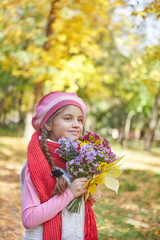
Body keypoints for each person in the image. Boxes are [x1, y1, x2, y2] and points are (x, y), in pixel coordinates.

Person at [20, 91, 101, 240]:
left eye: (80, 119)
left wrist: (91, 195)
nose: (76, 124)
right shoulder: (35, 163)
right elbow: (29, 219)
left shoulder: (81, 161)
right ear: (49, 124)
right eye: (68, 118)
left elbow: (73, 214)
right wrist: (69, 193)